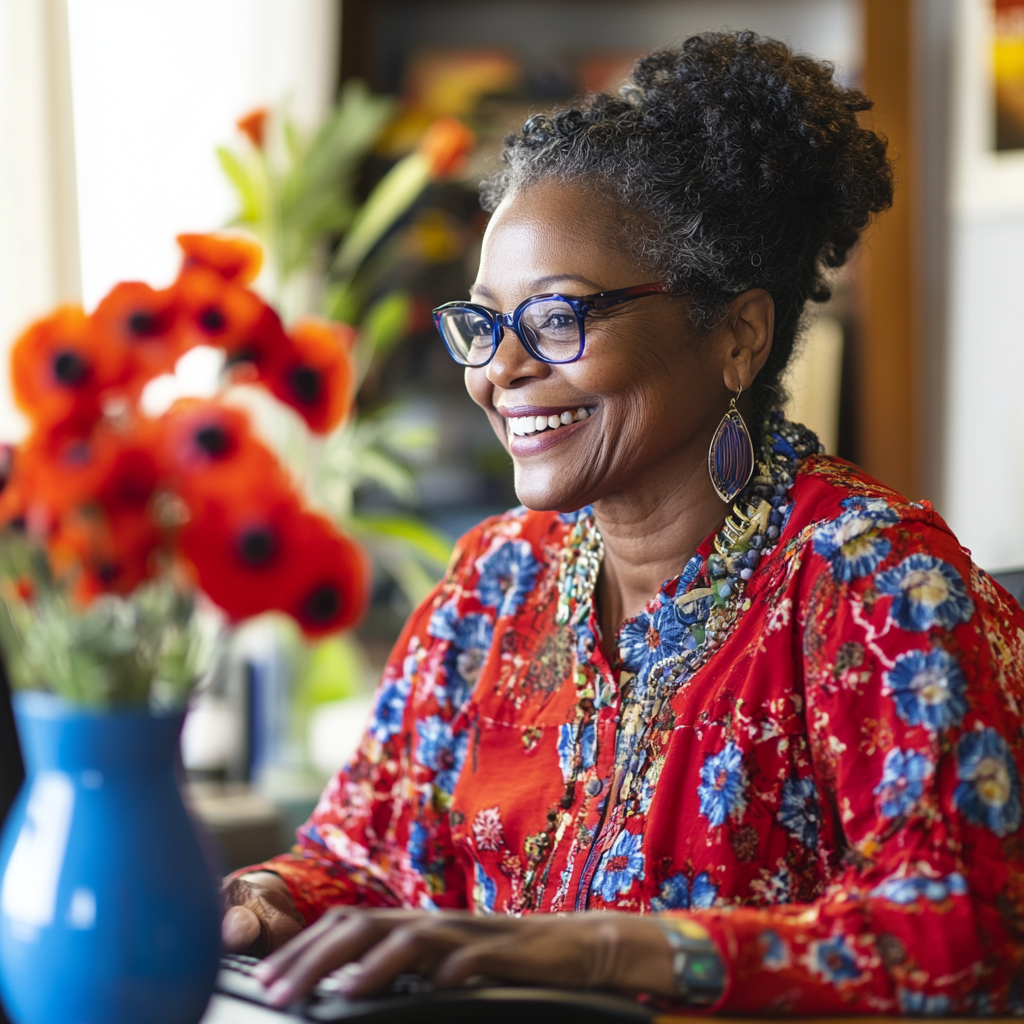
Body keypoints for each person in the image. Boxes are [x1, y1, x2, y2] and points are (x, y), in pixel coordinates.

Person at [221, 32, 1024, 1014]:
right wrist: (263, 901)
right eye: (483, 323)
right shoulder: (494, 582)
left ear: (737, 336)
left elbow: (962, 931)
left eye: (557, 318)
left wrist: (602, 952)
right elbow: (364, 855)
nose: (499, 370)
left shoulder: (873, 580)